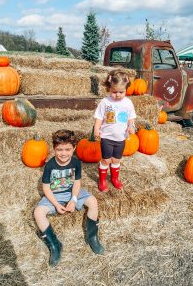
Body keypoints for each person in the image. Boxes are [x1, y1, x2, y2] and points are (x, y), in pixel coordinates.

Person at [34, 129, 104, 267]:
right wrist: (55, 204)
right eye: (59, 149)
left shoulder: (76, 163)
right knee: (38, 212)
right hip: (54, 195)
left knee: (93, 201)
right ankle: (55, 245)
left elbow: (77, 183)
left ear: (74, 148)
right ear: (54, 149)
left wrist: (74, 199)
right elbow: (46, 188)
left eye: (67, 149)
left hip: (72, 192)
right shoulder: (50, 165)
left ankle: (92, 237)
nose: (63, 153)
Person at [94, 69, 136, 192]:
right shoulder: (105, 102)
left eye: (121, 92)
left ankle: (114, 178)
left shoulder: (128, 103)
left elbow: (131, 117)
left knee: (116, 160)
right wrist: (97, 128)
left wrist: (131, 126)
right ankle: (102, 180)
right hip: (107, 137)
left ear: (126, 89)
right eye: (114, 92)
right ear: (109, 88)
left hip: (120, 138)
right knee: (106, 160)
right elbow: (99, 116)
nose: (117, 94)